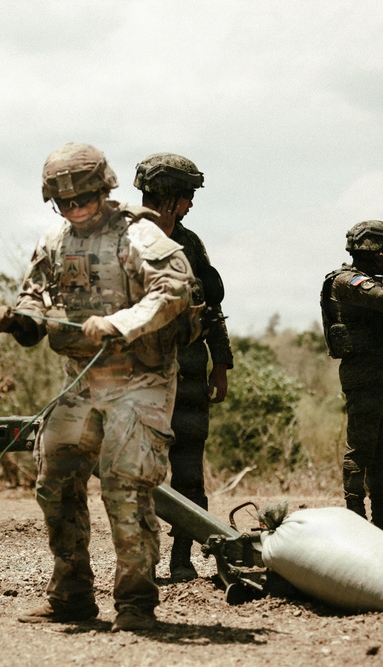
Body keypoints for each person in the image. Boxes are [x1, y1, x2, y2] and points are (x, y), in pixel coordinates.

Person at [0, 142, 193, 632]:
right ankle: (72, 596)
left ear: (104, 189)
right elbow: (35, 300)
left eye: (84, 198)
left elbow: (175, 289)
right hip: (80, 380)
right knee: (53, 482)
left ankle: (136, 603)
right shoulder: (56, 243)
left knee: (126, 486)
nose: (76, 209)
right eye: (65, 203)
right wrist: (22, 322)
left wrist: (120, 323)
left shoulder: (138, 235)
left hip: (139, 380)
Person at [132, 153, 233, 581]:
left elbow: (212, 306)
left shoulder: (191, 244)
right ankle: (141, 561)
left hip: (190, 372)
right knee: (139, 474)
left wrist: (221, 364)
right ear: (170, 197)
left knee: (189, 472)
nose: (191, 205)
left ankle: (183, 557)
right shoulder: (127, 241)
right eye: (187, 196)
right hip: (142, 377)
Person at [321, 219, 383, 530]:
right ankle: (355, 514)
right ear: (374, 252)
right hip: (363, 375)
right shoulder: (347, 281)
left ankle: (381, 516)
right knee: (361, 447)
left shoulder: (367, 279)